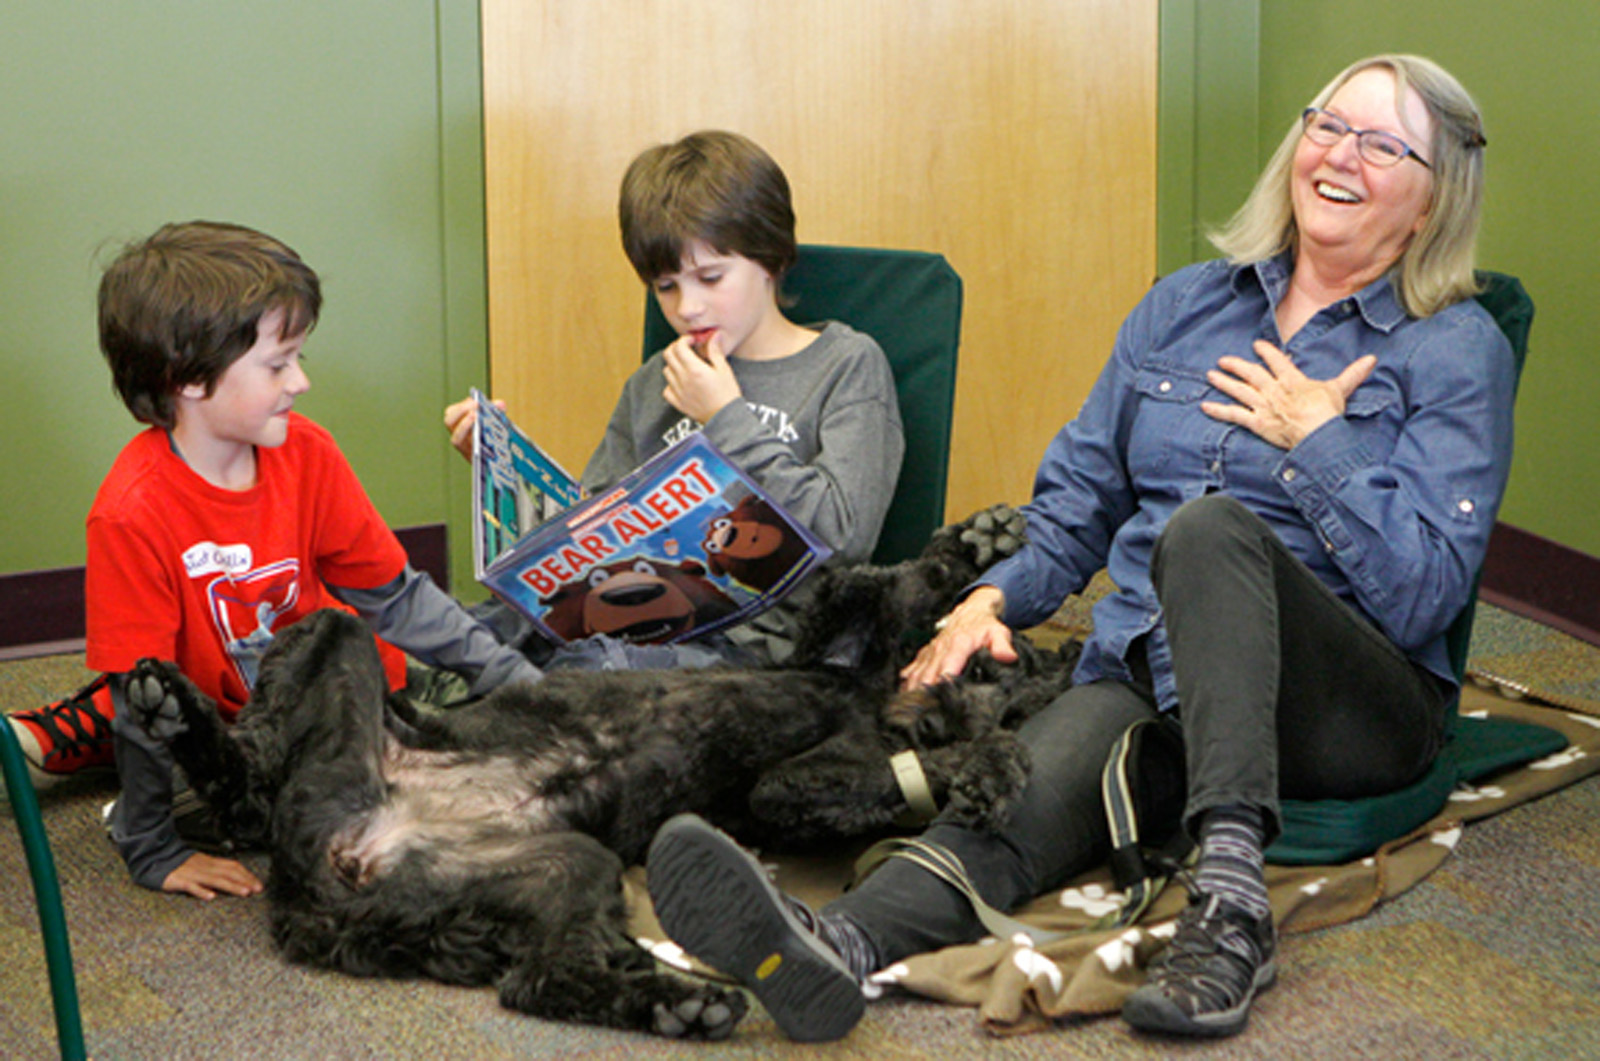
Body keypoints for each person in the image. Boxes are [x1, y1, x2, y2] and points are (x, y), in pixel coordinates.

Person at [645, 54, 1510, 1042]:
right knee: (1017, 786)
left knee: (1208, 530)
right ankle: (833, 944)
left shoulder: (1453, 346)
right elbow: (1077, 503)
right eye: (1327, 126)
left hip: (1347, 702)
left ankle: (1230, 905)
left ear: (1436, 196)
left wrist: (1320, 439)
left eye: (1382, 143)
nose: (1340, 154)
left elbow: (1422, 598)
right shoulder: (1183, 305)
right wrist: (995, 598)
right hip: (1154, 667)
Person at [7, 221, 543, 900]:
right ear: (188, 379)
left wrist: (517, 679)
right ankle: (100, 738)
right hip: (234, 729)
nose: (302, 380)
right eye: (278, 362)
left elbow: (396, 595)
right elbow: (146, 692)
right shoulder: (129, 513)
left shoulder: (308, 453)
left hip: (343, 697)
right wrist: (151, 848)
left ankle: (90, 728)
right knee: (291, 818)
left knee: (490, 751)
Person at [444, 130, 905, 665]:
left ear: (771, 259)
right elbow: (589, 533)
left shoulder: (846, 365)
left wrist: (725, 418)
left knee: (588, 676)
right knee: (465, 632)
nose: (688, 307)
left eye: (711, 277)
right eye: (666, 287)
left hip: (767, 649)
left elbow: (843, 536)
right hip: (636, 626)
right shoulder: (652, 383)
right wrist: (504, 470)